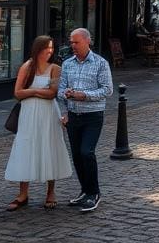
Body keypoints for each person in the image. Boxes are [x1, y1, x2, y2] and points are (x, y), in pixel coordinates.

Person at [4, 35, 73, 211]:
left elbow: (52, 93)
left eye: (51, 48)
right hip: (28, 114)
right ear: (37, 49)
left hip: (48, 114)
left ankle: (51, 192)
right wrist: (36, 90)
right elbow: (18, 93)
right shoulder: (27, 67)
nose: (49, 51)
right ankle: (23, 193)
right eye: (45, 48)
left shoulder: (55, 69)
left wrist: (32, 92)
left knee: (49, 147)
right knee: (25, 148)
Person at [57, 28, 114, 213]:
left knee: (86, 152)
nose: (72, 45)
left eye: (76, 42)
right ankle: (85, 191)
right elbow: (60, 90)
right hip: (73, 116)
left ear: (87, 42)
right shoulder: (67, 64)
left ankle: (94, 193)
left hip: (92, 116)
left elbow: (107, 90)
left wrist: (84, 95)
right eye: (71, 42)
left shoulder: (100, 63)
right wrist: (65, 97)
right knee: (77, 156)